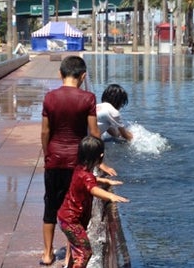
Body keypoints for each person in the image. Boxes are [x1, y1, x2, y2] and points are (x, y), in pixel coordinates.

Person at [40, 55, 102, 266]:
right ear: (83, 76)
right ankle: (69, 257)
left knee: (50, 205)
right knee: (74, 209)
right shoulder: (88, 98)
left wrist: (47, 154)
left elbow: (45, 131)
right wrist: (101, 160)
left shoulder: (49, 97)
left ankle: (47, 254)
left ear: (60, 74)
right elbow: (93, 132)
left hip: (54, 159)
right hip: (77, 161)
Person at [57, 136, 129, 268]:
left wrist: (105, 181)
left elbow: (89, 181)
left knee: (78, 251)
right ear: (101, 156)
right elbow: (93, 189)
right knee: (85, 252)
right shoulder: (87, 175)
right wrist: (110, 196)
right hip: (71, 220)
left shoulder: (80, 169)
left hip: (67, 217)